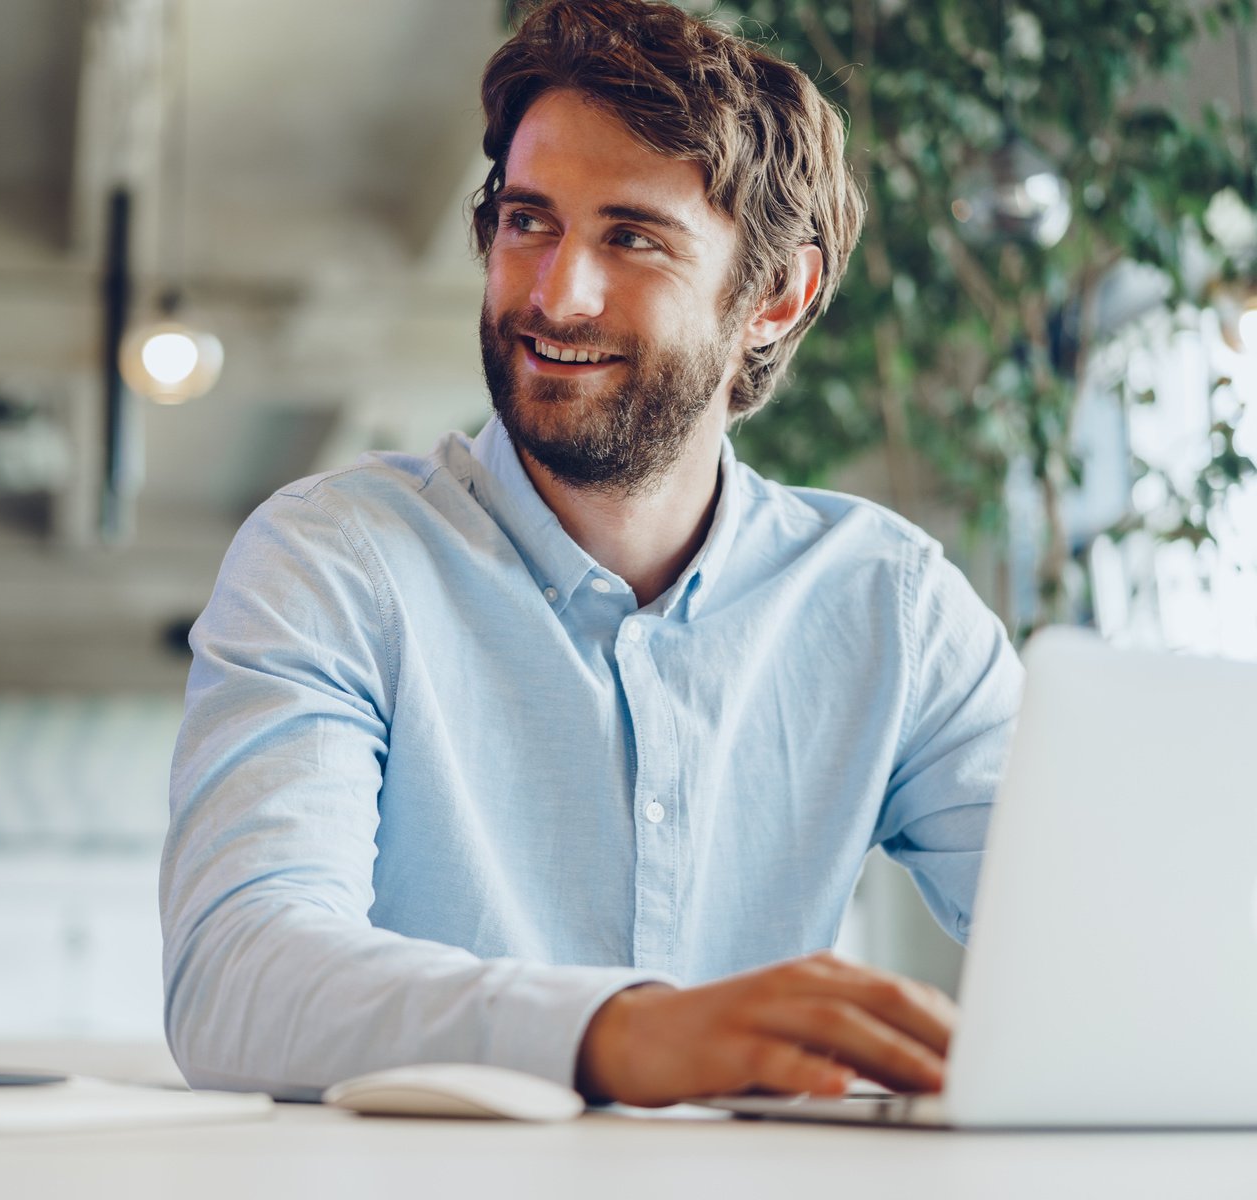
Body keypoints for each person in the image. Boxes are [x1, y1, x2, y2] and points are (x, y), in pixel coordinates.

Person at [160, 0, 1021, 1108]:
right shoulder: (336, 559)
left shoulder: (890, 607)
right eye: (529, 222)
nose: (556, 294)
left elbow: (1103, 935)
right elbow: (239, 974)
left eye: (632, 236)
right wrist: (618, 1035)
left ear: (775, 295)